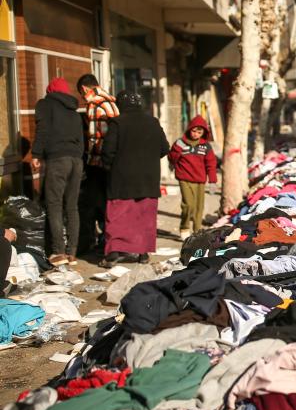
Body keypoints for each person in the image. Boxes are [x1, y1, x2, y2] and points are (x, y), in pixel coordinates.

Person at [99, 90, 169, 267]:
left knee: (117, 216)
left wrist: (109, 166)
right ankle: (143, 253)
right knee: (143, 217)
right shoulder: (153, 122)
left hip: (121, 180)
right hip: (148, 179)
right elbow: (164, 148)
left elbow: (107, 152)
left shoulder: (117, 123)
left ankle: (113, 253)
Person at [31, 77, 84, 265]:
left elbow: (42, 129)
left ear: (50, 91)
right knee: (72, 206)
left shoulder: (45, 104)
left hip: (58, 159)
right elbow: (81, 139)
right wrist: (78, 158)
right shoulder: (74, 111)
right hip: (76, 161)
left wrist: (36, 154)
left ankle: (58, 252)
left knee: (54, 204)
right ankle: (72, 253)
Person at [76, 74, 119, 253]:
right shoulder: (112, 101)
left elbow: (95, 137)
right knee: (109, 202)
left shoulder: (94, 104)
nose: (83, 98)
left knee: (96, 202)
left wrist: (89, 158)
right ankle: (110, 239)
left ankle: (102, 240)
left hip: (99, 161)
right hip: (113, 160)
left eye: (82, 93)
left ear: (85, 89)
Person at [168, 116, 218, 240]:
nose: (196, 134)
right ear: (189, 129)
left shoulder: (205, 146)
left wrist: (212, 181)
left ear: (203, 133)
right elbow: (172, 158)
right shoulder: (180, 143)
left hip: (200, 180)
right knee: (188, 205)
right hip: (184, 178)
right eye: (194, 131)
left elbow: (211, 164)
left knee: (198, 208)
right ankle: (184, 227)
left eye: (199, 132)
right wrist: (177, 149)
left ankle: (197, 231)